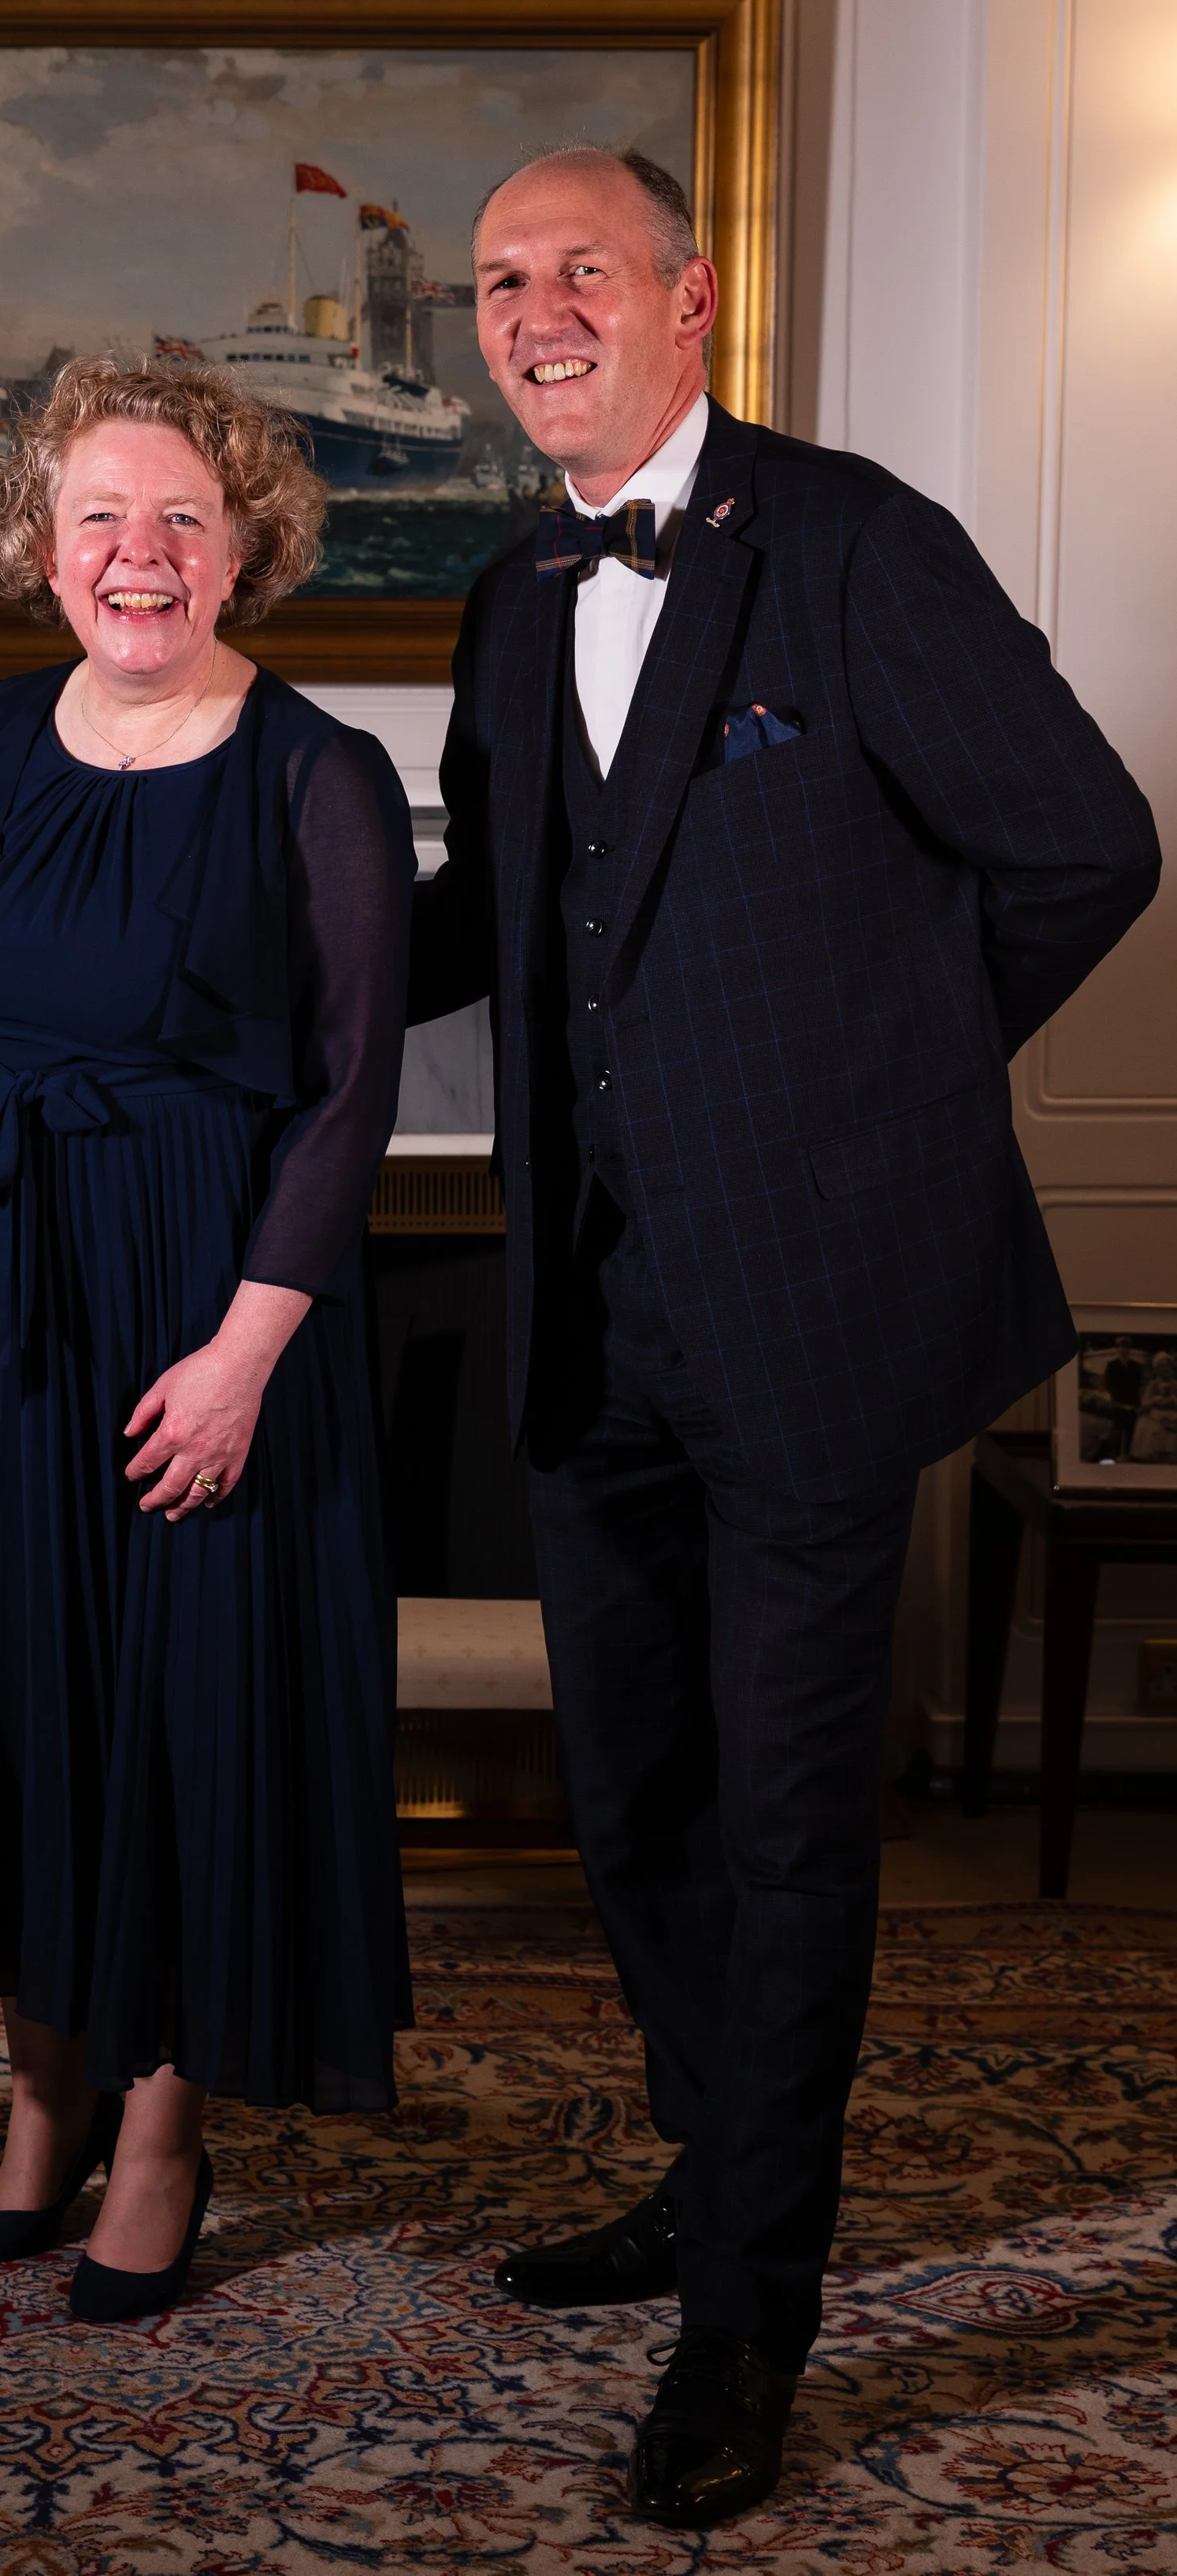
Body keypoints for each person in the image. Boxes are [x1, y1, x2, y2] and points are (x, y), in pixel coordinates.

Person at [413, 148, 1160, 2527]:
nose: (533, 309)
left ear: (691, 298)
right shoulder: (511, 591)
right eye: (498, 280)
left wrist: (879, 1100)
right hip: (590, 1303)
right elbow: (497, 916)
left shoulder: (854, 544)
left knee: (787, 1815)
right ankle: (703, 2163)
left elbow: (1087, 844)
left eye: (579, 270)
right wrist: (218, 909)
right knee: (635, 1792)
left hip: (814, 1305)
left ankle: (749, 2316)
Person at [0, 356, 414, 2321]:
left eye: (183, 516)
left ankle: (163, 2133)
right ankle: (42, 2101)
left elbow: (348, 1090)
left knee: (183, 1721)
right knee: (18, 1692)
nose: (139, 553)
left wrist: (246, 1352)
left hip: (209, 1302)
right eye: (98, 516)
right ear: (38, 543)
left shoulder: (314, 775)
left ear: (246, 545)